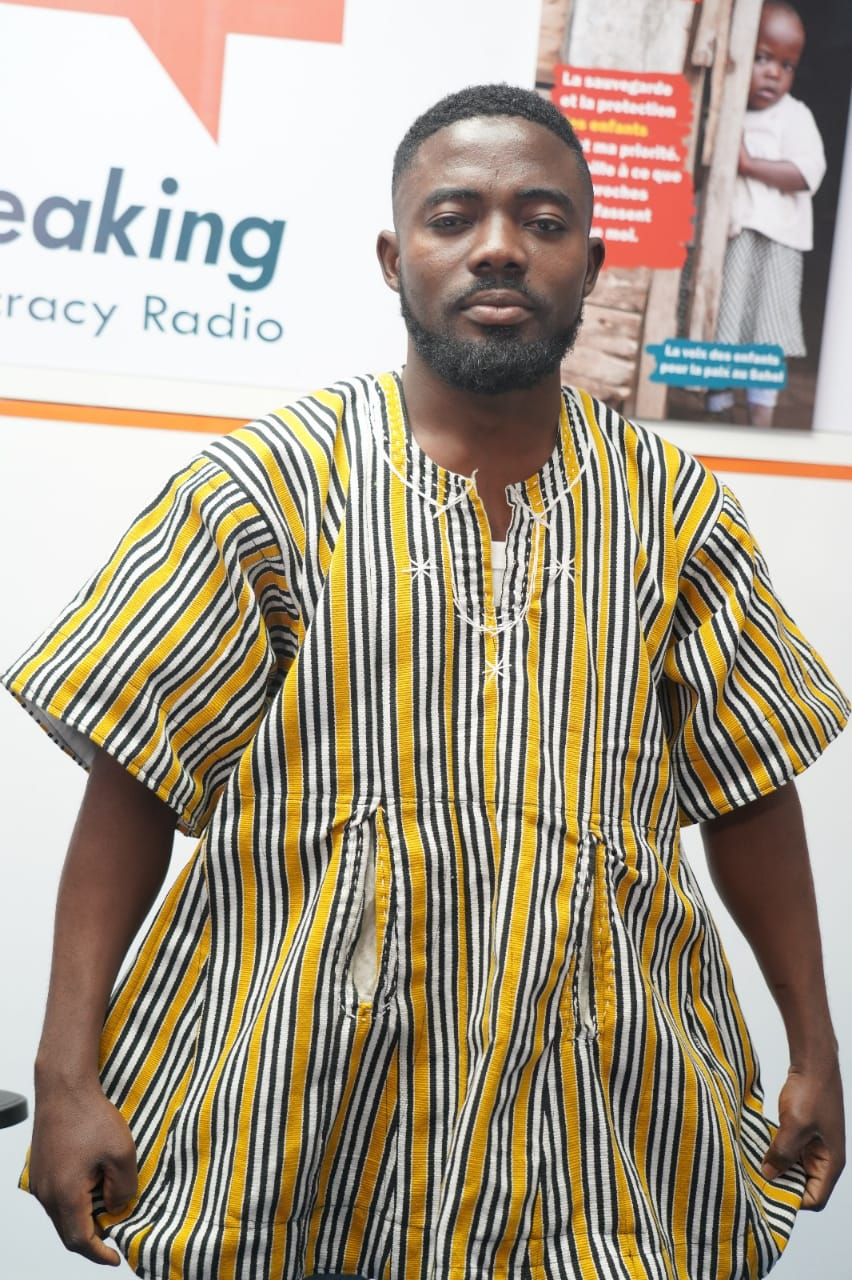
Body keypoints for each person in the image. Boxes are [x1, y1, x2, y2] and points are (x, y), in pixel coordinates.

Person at [2, 83, 847, 1280]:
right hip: (296, 1110)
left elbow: (749, 785)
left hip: (597, 1111)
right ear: (395, 259)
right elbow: (137, 778)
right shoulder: (267, 488)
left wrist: (812, 1042)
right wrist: (64, 1069)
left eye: (543, 221)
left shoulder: (674, 510)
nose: (500, 246)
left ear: (593, 262)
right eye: (455, 217)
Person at [707, 0, 826, 426]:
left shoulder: (795, 117)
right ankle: (718, 409)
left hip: (776, 248)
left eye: (786, 65)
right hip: (729, 244)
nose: (773, 73)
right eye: (762, 58)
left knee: (766, 331)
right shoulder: (725, 112)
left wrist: (749, 164)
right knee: (722, 326)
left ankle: (762, 413)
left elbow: (807, 174)